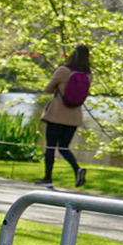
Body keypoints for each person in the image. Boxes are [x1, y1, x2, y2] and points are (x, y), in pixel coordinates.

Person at [39, 44, 92, 189]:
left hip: (56, 115)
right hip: (74, 117)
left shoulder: (63, 71)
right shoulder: (89, 75)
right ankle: (77, 169)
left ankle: (48, 179)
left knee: (50, 147)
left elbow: (48, 89)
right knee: (63, 147)